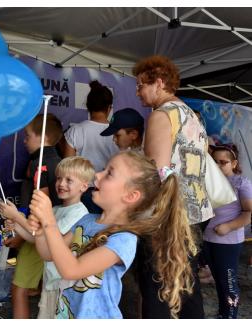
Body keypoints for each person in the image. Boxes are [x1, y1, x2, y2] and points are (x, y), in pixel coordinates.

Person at [27, 150, 197, 318]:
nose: (97, 175)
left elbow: (72, 269)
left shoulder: (124, 238)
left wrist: (49, 223)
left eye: (109, 173)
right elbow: (48, 254)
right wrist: (42, 231)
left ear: (131, 196)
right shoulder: (86, 221)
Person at [133, 55, 214, 318]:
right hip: (195, 213)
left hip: (166, 216)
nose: (138, 92)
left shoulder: (161, 115)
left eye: (140, 85)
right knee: (186, 283)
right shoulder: (192, 116)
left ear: (158, 82)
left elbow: (156, 172)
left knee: (157, 287)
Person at [0, 156, 93, 318]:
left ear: (84, 186)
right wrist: (16, 226)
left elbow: (52, 242)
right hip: (51, 280)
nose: (61, 184)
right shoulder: (55, 209)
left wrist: (17, 217)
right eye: (59, 178)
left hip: (64, 283)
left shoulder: (79, 212)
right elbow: (37, 238)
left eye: (69, 180)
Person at [0, 113, 63, 318]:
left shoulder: (39, 163)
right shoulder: (59, 161)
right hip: (53, 235)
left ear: (43, 137)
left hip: (37, 234)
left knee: (19, 288)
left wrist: (20, 231)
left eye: (27, 136)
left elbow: (40, 208)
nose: (24, 141)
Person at [203, 144, 252, 318]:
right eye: (214, 162)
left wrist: (228, 226)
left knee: (229, 284)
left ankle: (231, 316)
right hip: (208, 239)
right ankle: (223, 314)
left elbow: (249, 213)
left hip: (228, 242)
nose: (217, 166)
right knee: (219, 281)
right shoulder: (207, 181)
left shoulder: (241, 183)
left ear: (234, 163)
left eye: (222, 162)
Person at [61, 80, 119, 213]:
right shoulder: (118, 133)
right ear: (109, 108)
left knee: (81, 232)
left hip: (82, 191)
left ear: (88, 106)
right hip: (111, 191)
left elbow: (67, 168)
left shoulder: (76, 130)